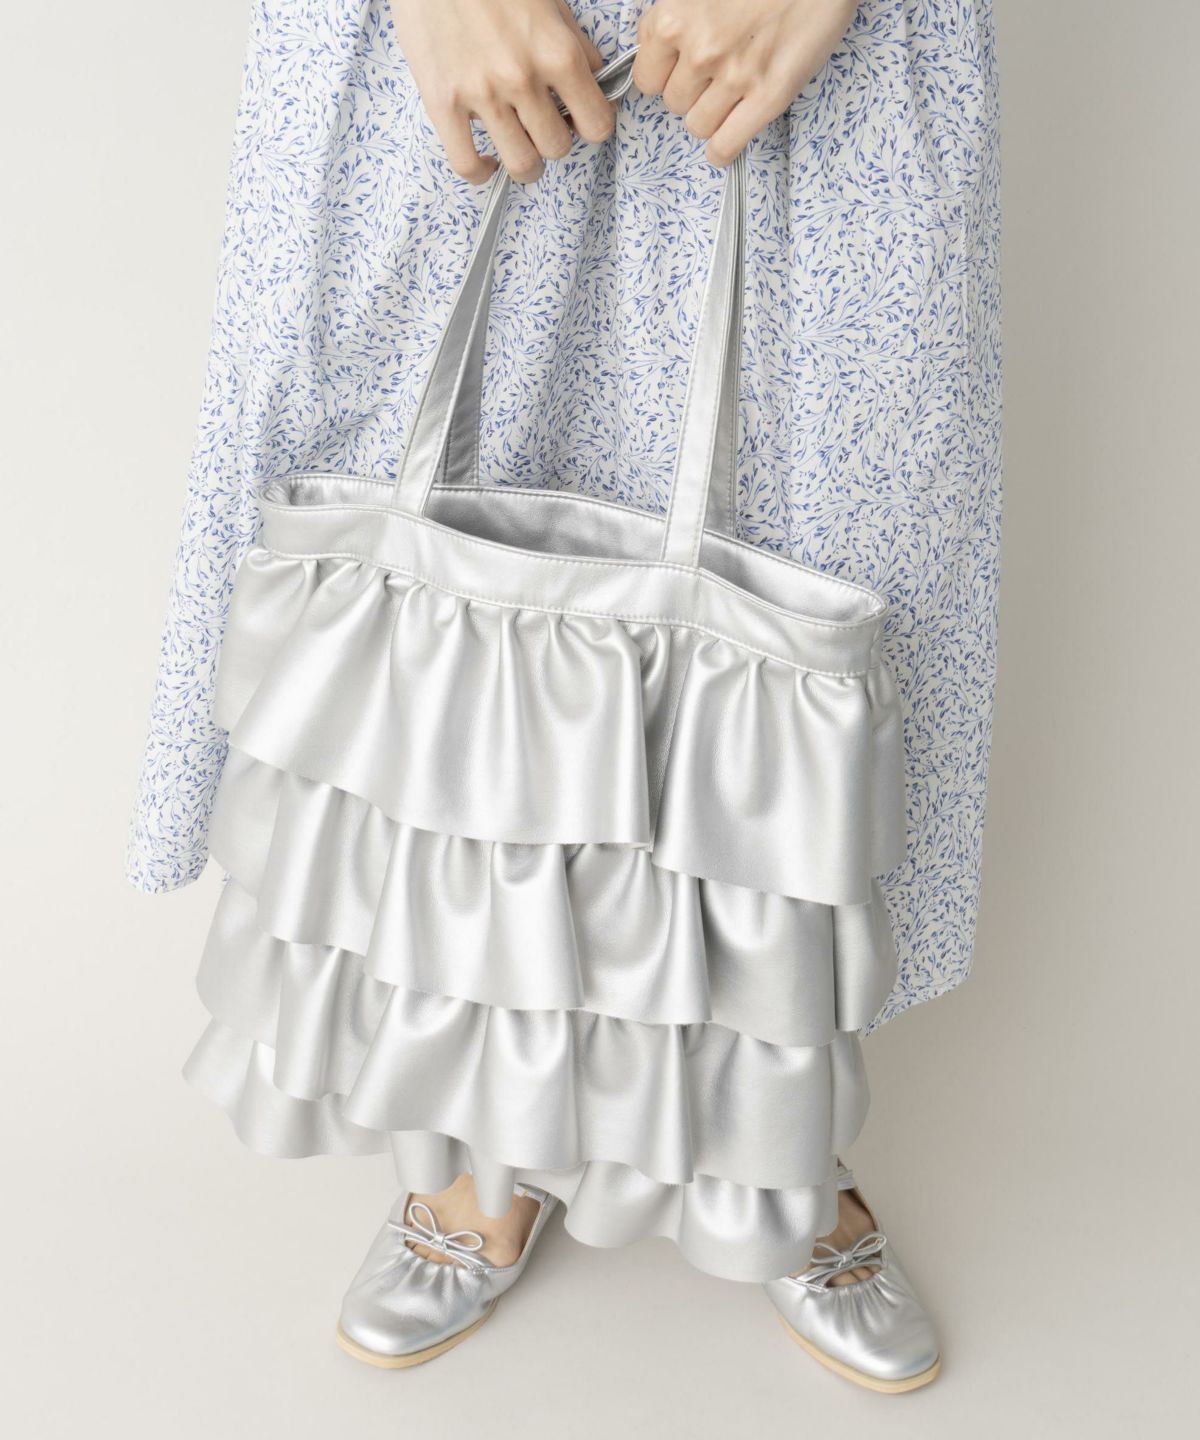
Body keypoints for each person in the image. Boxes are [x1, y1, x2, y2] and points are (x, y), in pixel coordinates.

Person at [128, 0, 1001, 1395]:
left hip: (821, 44)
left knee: (814, 579)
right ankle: (474, 1142)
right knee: (430, 588)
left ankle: (770, 1151)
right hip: (439, 43)